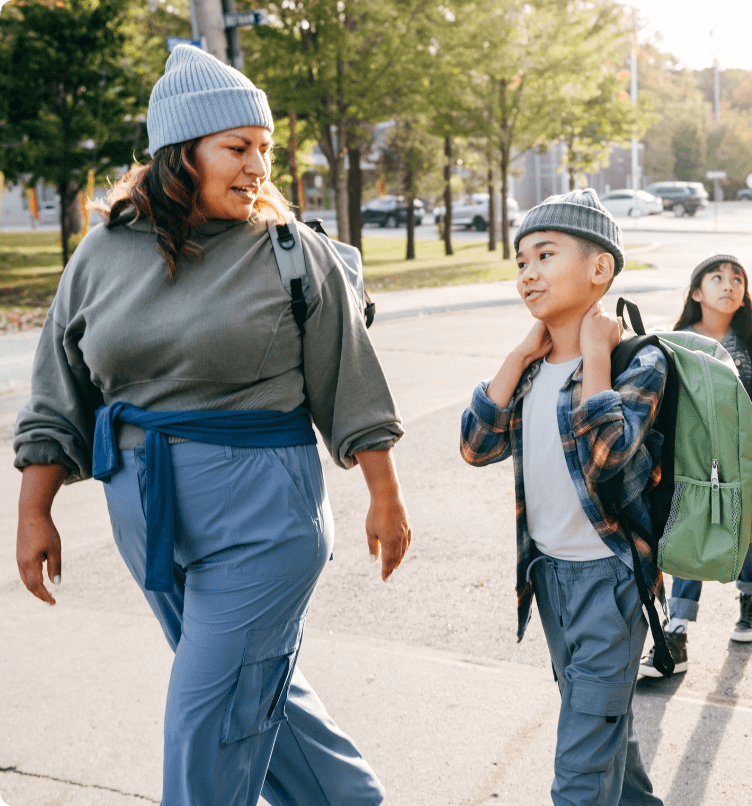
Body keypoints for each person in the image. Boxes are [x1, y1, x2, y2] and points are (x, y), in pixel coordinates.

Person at [13, 45, 410, 805]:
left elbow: (349, 378)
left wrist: (384, 495)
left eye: (265, 147)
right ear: (180, 154)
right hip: (150, 519)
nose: (260, 164)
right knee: (257, 698)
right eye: (238, 147)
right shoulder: (101, 254)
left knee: (208, 718)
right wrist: (35, 511)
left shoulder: (292, 252)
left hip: (265, 515)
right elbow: (57, 392)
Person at [460, 188, 665, 806]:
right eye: (520, 261)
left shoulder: (639, 361)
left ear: (599, 269)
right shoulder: (531, 367)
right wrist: (521, 352)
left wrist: (597, 356)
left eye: (544, 256)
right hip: (548, 576)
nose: (527, 274)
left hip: (610, 581)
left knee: (580, 766)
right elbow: (475, 445)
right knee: (602, 723)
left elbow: (607, 456)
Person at [637, 254, 752, 678]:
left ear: (743, 295)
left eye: (737, 278)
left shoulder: (749, 338)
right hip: (692, 455)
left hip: (740, 455)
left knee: (746, 530)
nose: (728, 284)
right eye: (717, 277)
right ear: (697, 293)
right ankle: (677, 631)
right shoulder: (678, 339)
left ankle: (750, 598)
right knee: (688, 530)